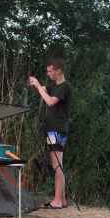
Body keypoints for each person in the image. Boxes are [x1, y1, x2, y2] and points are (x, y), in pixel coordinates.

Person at [28, 57, 71, 209]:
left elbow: (51, 101)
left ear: (58, 71)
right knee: (58, 164)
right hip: (53, 129)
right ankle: (62, 200)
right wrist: (35, 84)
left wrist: (38, 86)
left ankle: (57, 201)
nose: (48, 74)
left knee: (57, 165)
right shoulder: (55, 86)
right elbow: (44, 90)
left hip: (57, 130)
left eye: (50, 71)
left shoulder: (64, 87)